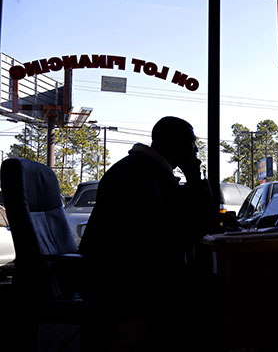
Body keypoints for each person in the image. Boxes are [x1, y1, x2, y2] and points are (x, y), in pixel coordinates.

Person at [79, 116, 218, 350]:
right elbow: (183, 231)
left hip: (126, 272)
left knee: (207, 285)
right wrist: (194, 177)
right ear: (172, 141)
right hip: (124, 281)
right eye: (191, 143)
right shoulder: (141, 175)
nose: (195, 149)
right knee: (210, 291)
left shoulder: (146, 170)